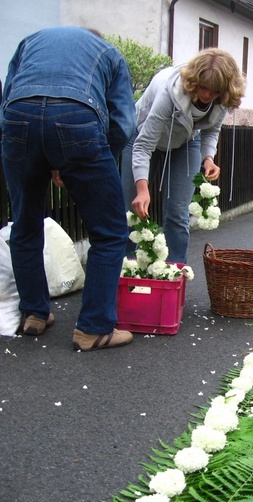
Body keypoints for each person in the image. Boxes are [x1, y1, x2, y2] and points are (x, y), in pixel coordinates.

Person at [1, 26, 137, 351]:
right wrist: (94, 159)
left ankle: (34, 313)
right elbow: (123, 125)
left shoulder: (31, 42)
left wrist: (42, 153)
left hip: (17, 117)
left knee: (25, 222)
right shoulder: (110, 54)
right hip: (76, 117)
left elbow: (7, 96)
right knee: (110, 232)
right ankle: (93, 328)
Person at [122, 48, 246, 263]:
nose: (207, 95)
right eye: (203, 87)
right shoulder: (170, 92)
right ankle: (128, 273)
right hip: (141, 137)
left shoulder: (223, 99)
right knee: (132, 212)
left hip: (185, 142)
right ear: (194, 79)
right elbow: (143, 146)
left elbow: (211, 131)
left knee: (178, 214)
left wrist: (208, 158)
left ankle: (174, 275)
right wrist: (142, 190)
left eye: (214, 91)